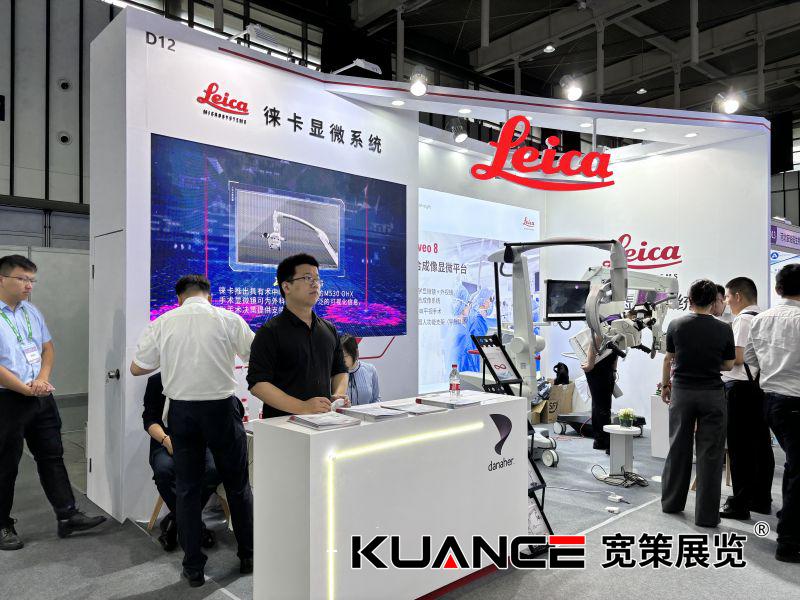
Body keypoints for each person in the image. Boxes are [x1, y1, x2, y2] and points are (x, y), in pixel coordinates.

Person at [130, 274, 255, 587]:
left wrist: (172, 356)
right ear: (209, 296)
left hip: (182, 412)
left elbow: (137, 367)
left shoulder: (163, 322)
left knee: (187, 489)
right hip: (222, 409)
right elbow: (255, 356)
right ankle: (248, 556)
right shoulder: (228, 318)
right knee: (238, 486)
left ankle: (193, 568)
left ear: (179, 298)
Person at [0, 255, 106, 551]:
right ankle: (2, 524)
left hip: (40, 395)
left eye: (32, 280)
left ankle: (67, 515)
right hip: (7, 399)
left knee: (52, 455)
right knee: (5, 464)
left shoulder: (31, 311)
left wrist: (42, 380)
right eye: (22, 279)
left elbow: (47, 348)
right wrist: (24, 388)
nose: (29, 286)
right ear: (2, 279)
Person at [661, 279, 735, 527]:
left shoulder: (676, 325)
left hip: (682, 392)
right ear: (714, 301)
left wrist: (666, 386)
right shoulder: (724, 328)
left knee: (678, 448)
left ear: (689, 299)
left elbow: (668, 359)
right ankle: (706, 516)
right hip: (712, 394)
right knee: (711, 454)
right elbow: (729, 364)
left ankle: (671, 503)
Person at [248, 254, 349, 419]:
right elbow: (258, 384)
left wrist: (337, 395)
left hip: (324, 421)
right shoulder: (269, 332)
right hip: (283, 425)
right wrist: (302, 407)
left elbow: (340, 370)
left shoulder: (329, 329)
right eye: (307, 278)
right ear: (286, 287)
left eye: (317, 279)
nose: (315, 283)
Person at [745, 263, 800, 563]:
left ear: (778, 289)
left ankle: (788, 516)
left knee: (794, 465)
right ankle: (789, 542)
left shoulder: (760, 319)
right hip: (797, 401)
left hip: (772, 401)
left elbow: (750, 359)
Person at [142, 372, 221, 551]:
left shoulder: (202, 376)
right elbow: (149, 420)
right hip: (165, 440)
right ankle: (197, 526)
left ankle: (174, 521)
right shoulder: (156, 381)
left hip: (200, 440)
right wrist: (166, 440)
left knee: (214, 469)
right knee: (164, 470)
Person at [719, 277, 774, 521]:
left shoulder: (743, 319)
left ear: (738, 296)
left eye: (728, 296)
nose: (726, 301)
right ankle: (761, 499)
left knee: (740, 448)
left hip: (740, 389)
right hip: (760, 387)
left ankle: (740, 504)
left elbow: (737, 358)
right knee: (761, 445)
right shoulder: (765, 317)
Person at [582, 333, 617, 453]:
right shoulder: (609, 324)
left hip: (605, 366)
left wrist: (614, 370)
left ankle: (600, 440)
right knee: (602, 407)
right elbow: (594, 341)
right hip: (597, 367)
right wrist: (590, 364)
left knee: (600, 405)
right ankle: (605, 441)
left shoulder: (620, 328)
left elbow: (616, 349)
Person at [341, 334, 380, 405]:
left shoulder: (370, 370)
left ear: (356, 353)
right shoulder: (335, 374)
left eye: (344, 356)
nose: (341, 360)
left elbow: (376, 398)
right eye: (338, 356)